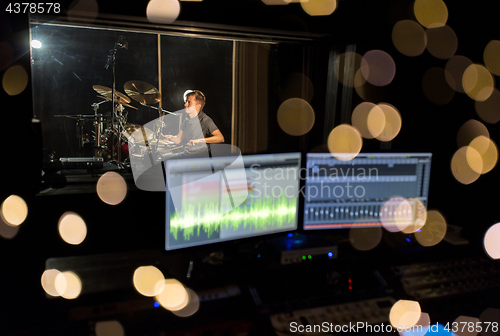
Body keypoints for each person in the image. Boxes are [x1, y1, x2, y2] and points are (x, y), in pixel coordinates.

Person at [164, 90, 224, 158]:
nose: (185, 104)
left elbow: (220, 138)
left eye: (189, 102)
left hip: (199, 157)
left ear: (198, 106)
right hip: (187, 154)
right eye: (186, 102)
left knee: (165, 159)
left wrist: (199, 140)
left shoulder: (205, 120)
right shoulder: (187, 120)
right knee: (163, 158)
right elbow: (178, 139)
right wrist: (170, 137)